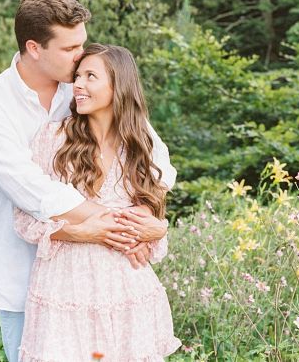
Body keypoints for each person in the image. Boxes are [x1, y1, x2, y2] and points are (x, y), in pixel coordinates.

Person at [0, 0, 176, 362]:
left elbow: (155, 159)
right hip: (27, 274)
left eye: (81, 44)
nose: (80, 55)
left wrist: (148, 220)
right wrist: (112, 227)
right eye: (70, 48)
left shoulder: (82, 84)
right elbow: (32, 191)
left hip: (111, 281)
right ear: (34, 48)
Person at [14, 43, 181, 361]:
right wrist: (78, 232)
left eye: (91, 76)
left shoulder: (141, 146)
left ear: (119, 85)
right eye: (77, 76)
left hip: (127, 292)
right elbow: (23, 218)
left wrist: (155, 231)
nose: (78, 84)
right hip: (64, 290)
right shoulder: (54, 139)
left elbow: (153, 217)